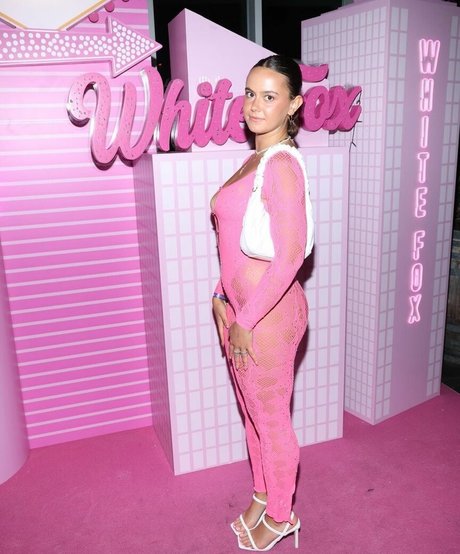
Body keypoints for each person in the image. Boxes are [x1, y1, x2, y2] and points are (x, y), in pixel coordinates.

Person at [210, 54, 309, 551]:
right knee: (252, 415)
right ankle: (262, 494)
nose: (255, 105)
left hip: (266, 317)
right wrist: (220, 296)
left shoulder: (283, 165)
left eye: (269, 96)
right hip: (241, 313)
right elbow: (233, 244)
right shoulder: (256, 159)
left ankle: (282, 514)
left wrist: (245, 318)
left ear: (293, 104)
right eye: (250, 93)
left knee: (271, 420)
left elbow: (290, 255)